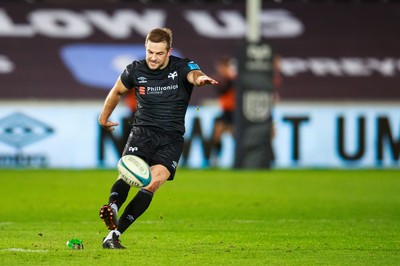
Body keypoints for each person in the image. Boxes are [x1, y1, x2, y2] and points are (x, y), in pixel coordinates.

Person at [98, 28, 218, 249]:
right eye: (150, 52)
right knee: (128, 174)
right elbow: (116, 91)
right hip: (142, 132)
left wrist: (201, 80)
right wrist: (104, 118)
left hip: (171, 138)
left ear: (169, 51)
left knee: (153, 183)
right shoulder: (135, 70)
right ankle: (112, 207)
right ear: (146, 48)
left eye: (159, 53)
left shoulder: (182, 66)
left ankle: (113, 235)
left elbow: (194, 75)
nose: (153, 57)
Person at [210, 56, 237, 166]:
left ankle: (238, 159)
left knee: (236, 136)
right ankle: (216, 159)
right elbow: (220, 89)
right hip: (226, 111)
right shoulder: (222, 80)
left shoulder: (234, 79)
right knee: (217, 135)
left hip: (235, 112)